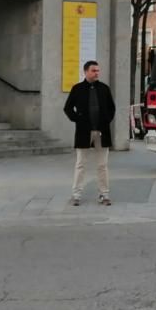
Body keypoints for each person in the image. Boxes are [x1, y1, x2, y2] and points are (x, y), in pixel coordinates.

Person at [63, 60, 116, 206]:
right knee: (81, 164)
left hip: (102, 132)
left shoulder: (104, 89)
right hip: (83, 132)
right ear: (85, 72)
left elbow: (112, 108)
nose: (96, 73)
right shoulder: (77, 89)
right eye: (93, 70)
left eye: (98, 70)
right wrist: (78, 120)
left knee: (102, 165)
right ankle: (76, 195)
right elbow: (67, 108)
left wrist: (106, 121)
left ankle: (104, 194)